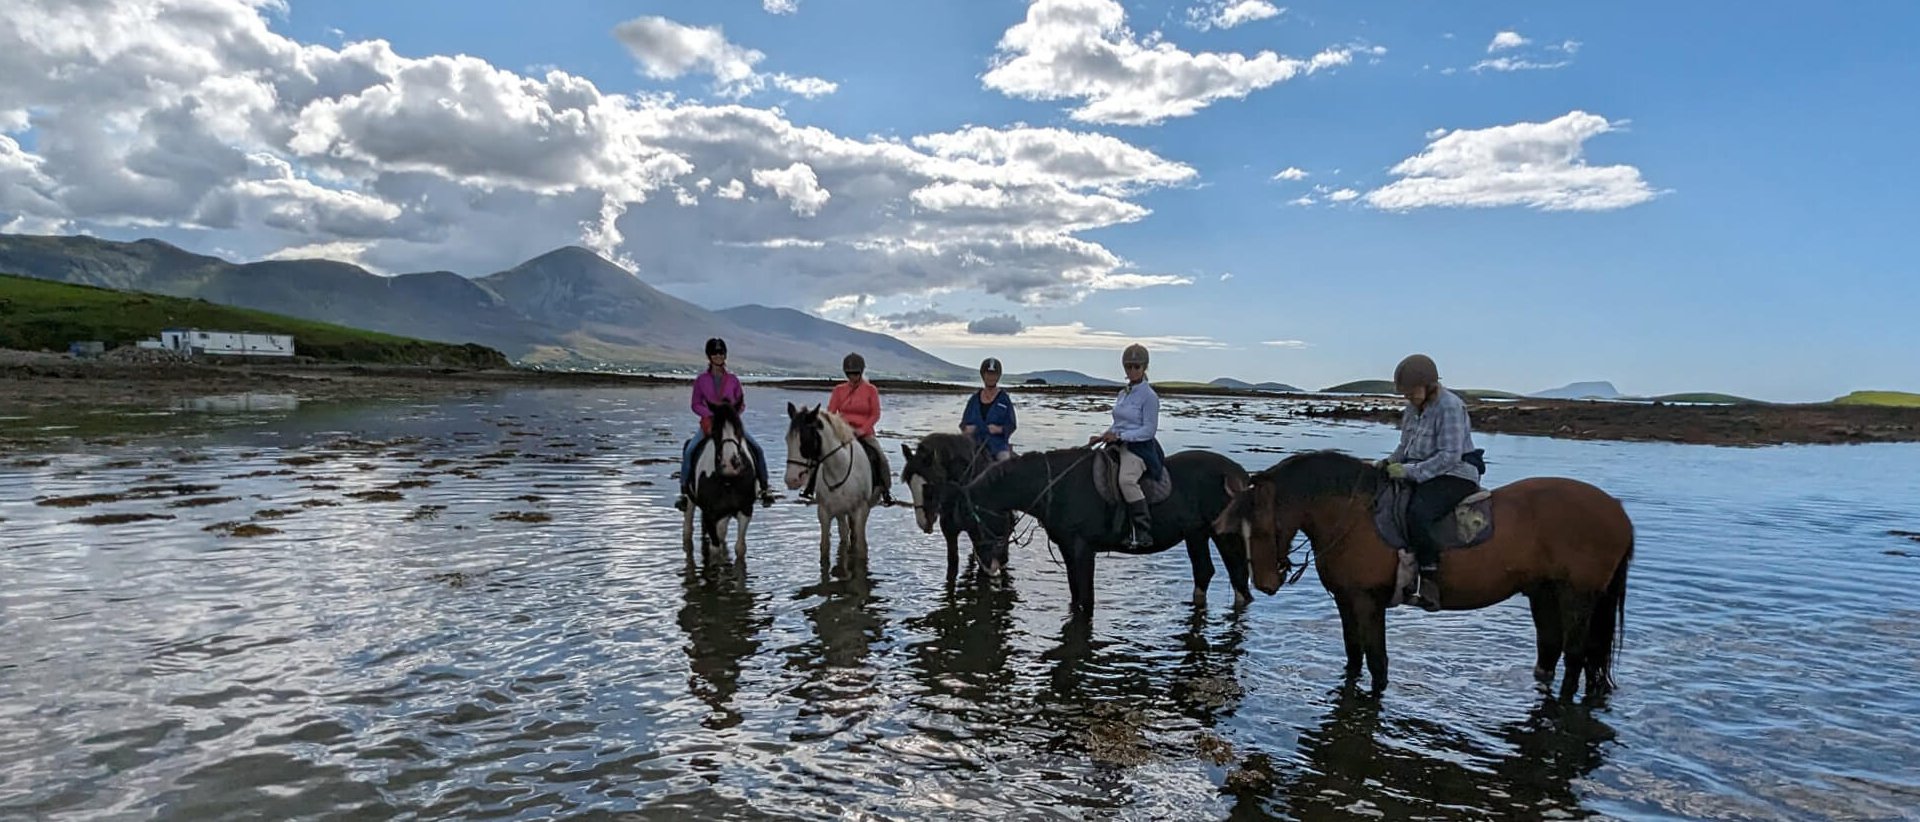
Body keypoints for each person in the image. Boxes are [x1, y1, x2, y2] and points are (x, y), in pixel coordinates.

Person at [1379, 353, 1481, 611]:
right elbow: (1404, 446)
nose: (1408, 397)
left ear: (1429, 385)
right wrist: (1386, 464)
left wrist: (1409, 472)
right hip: (1420, 470)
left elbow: (1449, 456)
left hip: (1455, 474)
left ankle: (1430, 578)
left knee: (1418, 513)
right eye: (1404, 393)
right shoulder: (1413, 408)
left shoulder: (1449, 406)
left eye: (1411, 391)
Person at [676, 337, 776, 511]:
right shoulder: (701, 380)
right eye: (714, 353)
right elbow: (695, 404)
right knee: (691, 449)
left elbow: (741, 402)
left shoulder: (733, 380)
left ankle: (765, 488)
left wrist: (732, 415)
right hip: (710, 423)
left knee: (757, 449)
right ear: (709, 356)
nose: (718, 356)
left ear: (725, 355)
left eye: (721, 353)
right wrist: (711, 414)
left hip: (731, 424)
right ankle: (685, 492)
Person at [1086, 343, 1161, 549]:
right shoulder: (1123, 393)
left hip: (1139, 449)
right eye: (1128, 366)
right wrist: (1102, 436)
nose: (1132, 370)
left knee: (1126, 480)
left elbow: (1149, 430)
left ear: (1145, 367)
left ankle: (1143, 530)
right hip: (1118, 443)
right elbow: (1118, 423)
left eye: (1137, 366)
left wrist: (1120, 435)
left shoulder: (1149, 396)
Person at [825, 352, 895, 505]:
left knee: (881, 458)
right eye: (849, 374)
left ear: (861, 372)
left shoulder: (871, 390)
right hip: (843, 432)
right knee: (823, 454)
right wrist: (837, 428)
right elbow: (831, 412)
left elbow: (875, 414)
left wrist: (862, 430)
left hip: (864, 433)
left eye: (855, 374)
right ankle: (812, 487)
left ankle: (886, 491)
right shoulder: (838, 390)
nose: (852, 377)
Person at [960, 357, 1017, 462]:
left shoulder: (1004, 399)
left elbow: (1011, 425)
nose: (991, 377)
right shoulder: (974, 399)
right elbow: (964, 423)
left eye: (994, 374)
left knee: (1004, 461)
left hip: (997, 446)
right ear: (983, 375)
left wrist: (999, 429)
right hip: (975, 445)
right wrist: (967, 430)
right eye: (988, 374)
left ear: (998, 376)